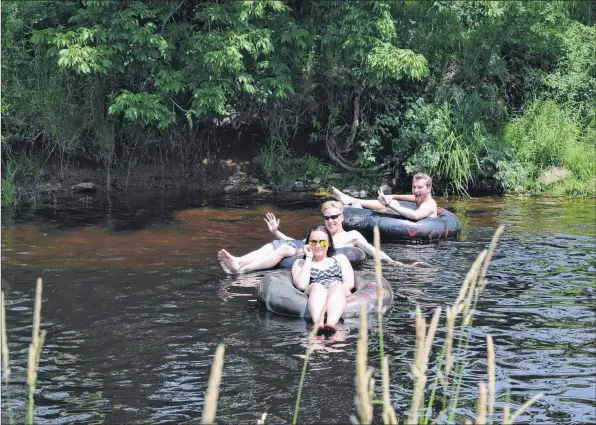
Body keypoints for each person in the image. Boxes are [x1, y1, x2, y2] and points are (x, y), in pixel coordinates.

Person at [217, 202, 415, 274]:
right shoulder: (320, 233)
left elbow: (374, 251)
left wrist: (396, 263)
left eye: (334, 217)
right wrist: (276, 232)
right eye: (327, 218)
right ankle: (238, 261)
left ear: (342, 217)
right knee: (275, 244)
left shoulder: (351, 236)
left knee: (283, 249)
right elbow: (297, 242)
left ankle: (242, 269)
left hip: (313, 257)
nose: (330, 221)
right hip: (303, 250)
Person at [291, 225, 354, 334]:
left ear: (329, 243)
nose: (318, 245)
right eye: (313, 242)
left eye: (323, 242)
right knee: (317, 286)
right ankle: (318, 324)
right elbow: (301, 285)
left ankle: (331, 324)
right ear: (308, 244)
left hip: (338, 291)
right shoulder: (300, 263)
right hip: (315, 292)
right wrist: (309, 258)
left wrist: (331, 291)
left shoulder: (340, 259)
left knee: (337, 286)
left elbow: (349, 283)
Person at [332, 172, 438, 220]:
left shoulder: (428, 205)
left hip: (420, 245)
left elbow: (415, 216)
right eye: (414, 187)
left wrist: (389, 204)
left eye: (420, 187)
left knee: (392, 207)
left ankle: (358, 208)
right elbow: (411, 197)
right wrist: (392, 196)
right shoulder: (420, 197)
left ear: (428, 188)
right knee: (394, 203)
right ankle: (350, 200)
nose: (416, 191)